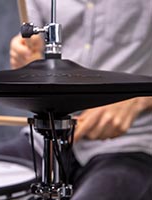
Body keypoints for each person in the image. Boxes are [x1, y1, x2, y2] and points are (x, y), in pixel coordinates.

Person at [8, 0, 152, 199]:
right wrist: (27, 57)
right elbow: (34, 46)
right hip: (46, 139)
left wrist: (139, 99)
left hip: (130, 144)